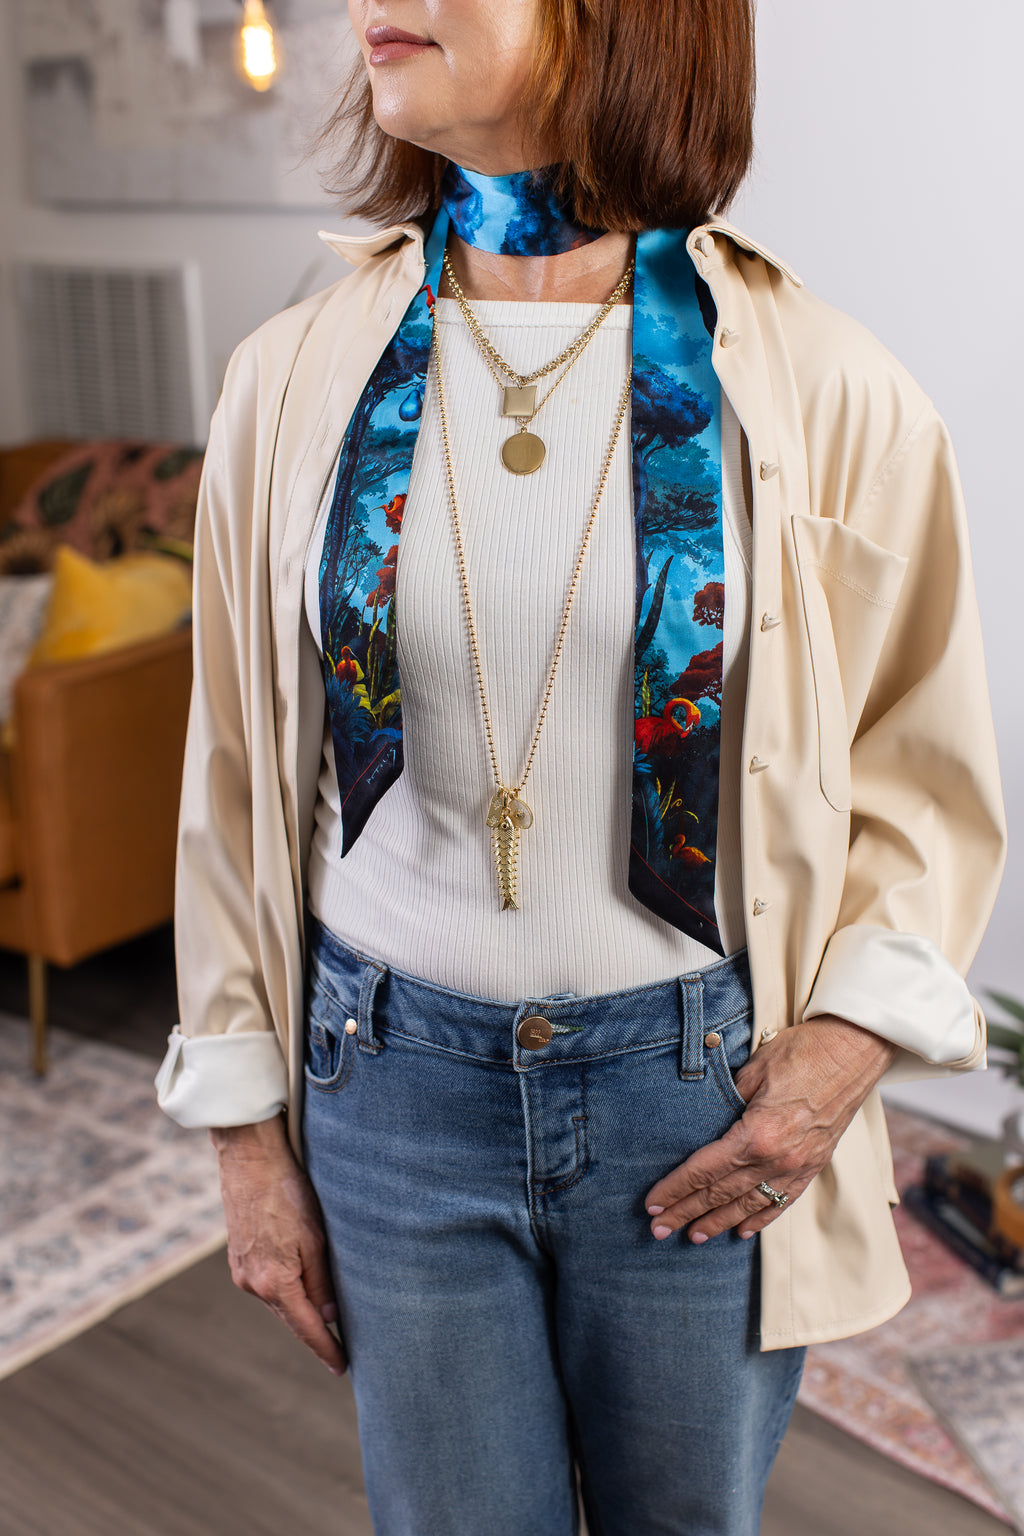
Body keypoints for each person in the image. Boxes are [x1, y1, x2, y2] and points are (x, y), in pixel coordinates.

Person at [154, 2, 1007, 1532]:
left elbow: (922, 771)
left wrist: (844, 1048)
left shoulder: (826, 389)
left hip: (694, 1096)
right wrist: (243, 1140)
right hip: (386, 1088)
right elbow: (230, 774)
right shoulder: (289, 379)